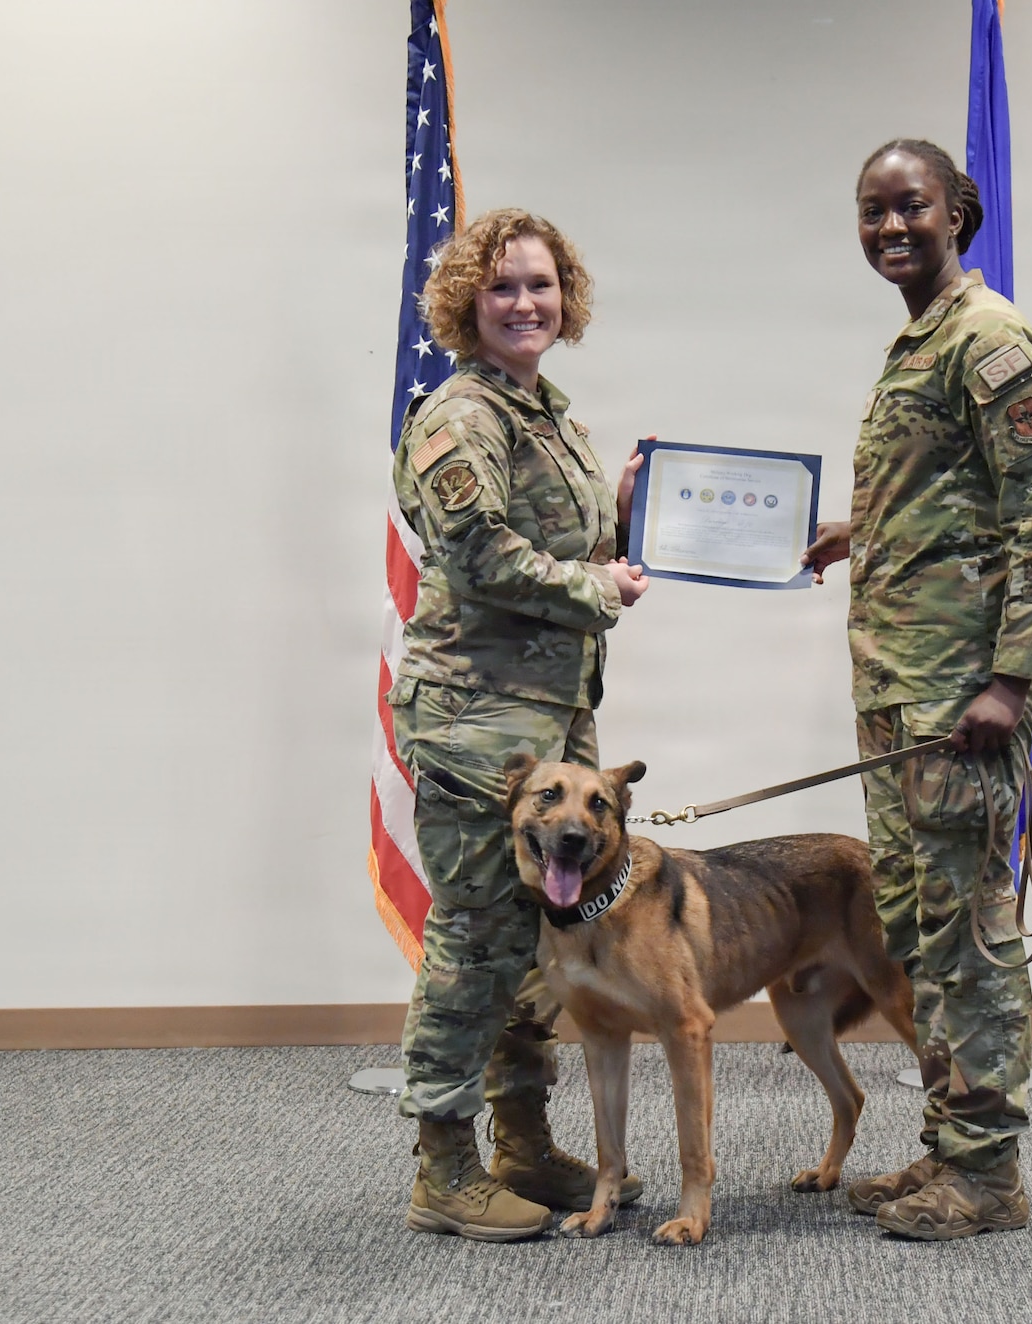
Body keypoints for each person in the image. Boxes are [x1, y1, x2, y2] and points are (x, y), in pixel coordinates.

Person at [803, 139, 1032, 1239]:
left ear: (954, 210)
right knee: (918, 931)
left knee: (968, 934)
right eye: (869, 210)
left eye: (907, 206)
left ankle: (991, 1174)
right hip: (897, 699)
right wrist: (851, 530)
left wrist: (1012, 680)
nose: (888, 228)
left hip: (959, 702)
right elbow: (944, 499)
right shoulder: (917, 342)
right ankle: (945, 1148)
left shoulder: (990, 342)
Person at [390, 207, 650, 1242]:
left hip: (546, 727)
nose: (524, 302)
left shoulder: (544, 415)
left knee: (540, 946)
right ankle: (442, 1167)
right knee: (472, 945)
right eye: (501, 286)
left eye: (539, 284)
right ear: (466, 302)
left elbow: (560, 547)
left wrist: (624, 513)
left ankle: (523, 1145)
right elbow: (482, 556)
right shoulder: (461, 413)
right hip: (474, 730)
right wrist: (598, 580)